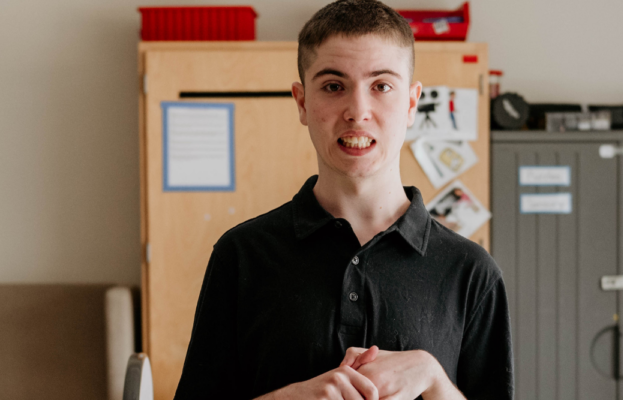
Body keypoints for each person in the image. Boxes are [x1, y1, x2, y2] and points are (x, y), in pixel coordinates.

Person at [172, 1, 513, 399]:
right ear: (302, 102)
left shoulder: (472, 272)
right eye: (334, 86)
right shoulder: (241, 255)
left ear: (411, 103)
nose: (358, 111)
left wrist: (433, 378)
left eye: (381, 86)